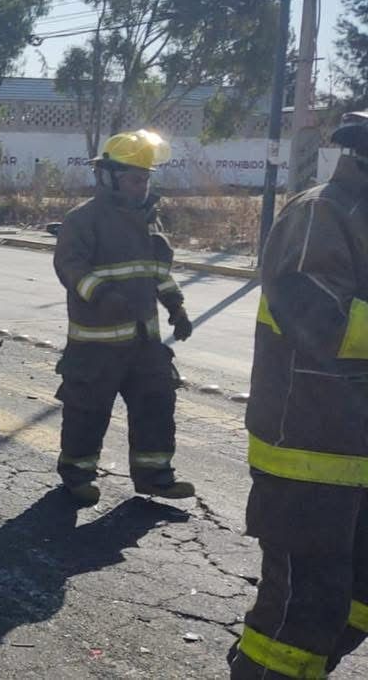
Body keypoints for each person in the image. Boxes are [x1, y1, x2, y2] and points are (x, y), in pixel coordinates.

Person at [229, 113, 368, 679]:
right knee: (301, 612)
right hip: (311, 450)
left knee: (355, 595)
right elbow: (320, 319)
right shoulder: (321, 214)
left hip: (357, 453)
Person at [52, 129, 195, 505]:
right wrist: (102, 295)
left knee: (157, 405)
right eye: (135, 178)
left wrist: (176, 307)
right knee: (87, 413)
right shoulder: (83, 220)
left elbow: (158, 272)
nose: (142, 186)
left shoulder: (148, 221)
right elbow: (70, 267)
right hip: (95, 345)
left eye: (146, 178)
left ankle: (155, 476)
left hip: (144, 343)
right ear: (109, 177)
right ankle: (77, 476)